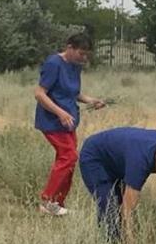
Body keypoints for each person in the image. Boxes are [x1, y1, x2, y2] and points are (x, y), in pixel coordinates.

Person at [78, 128, 156, 244]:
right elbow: (127, 211)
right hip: (95, 157)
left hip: (118, 159)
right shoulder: (139, 163)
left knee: (119, 202)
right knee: (109, 207)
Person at [33, 32, 106, 217]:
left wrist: (92, 100)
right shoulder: (53, 64)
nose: (84, 57)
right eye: (81, 53)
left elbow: (74, 93)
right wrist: (60, 112)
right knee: (69, 156)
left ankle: (57, 202)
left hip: (69, 122)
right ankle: (47, 200)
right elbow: (40, 93)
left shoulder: (75, 66)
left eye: (86, 54)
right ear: (69, 47)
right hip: (52, 121)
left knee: (69, 160)